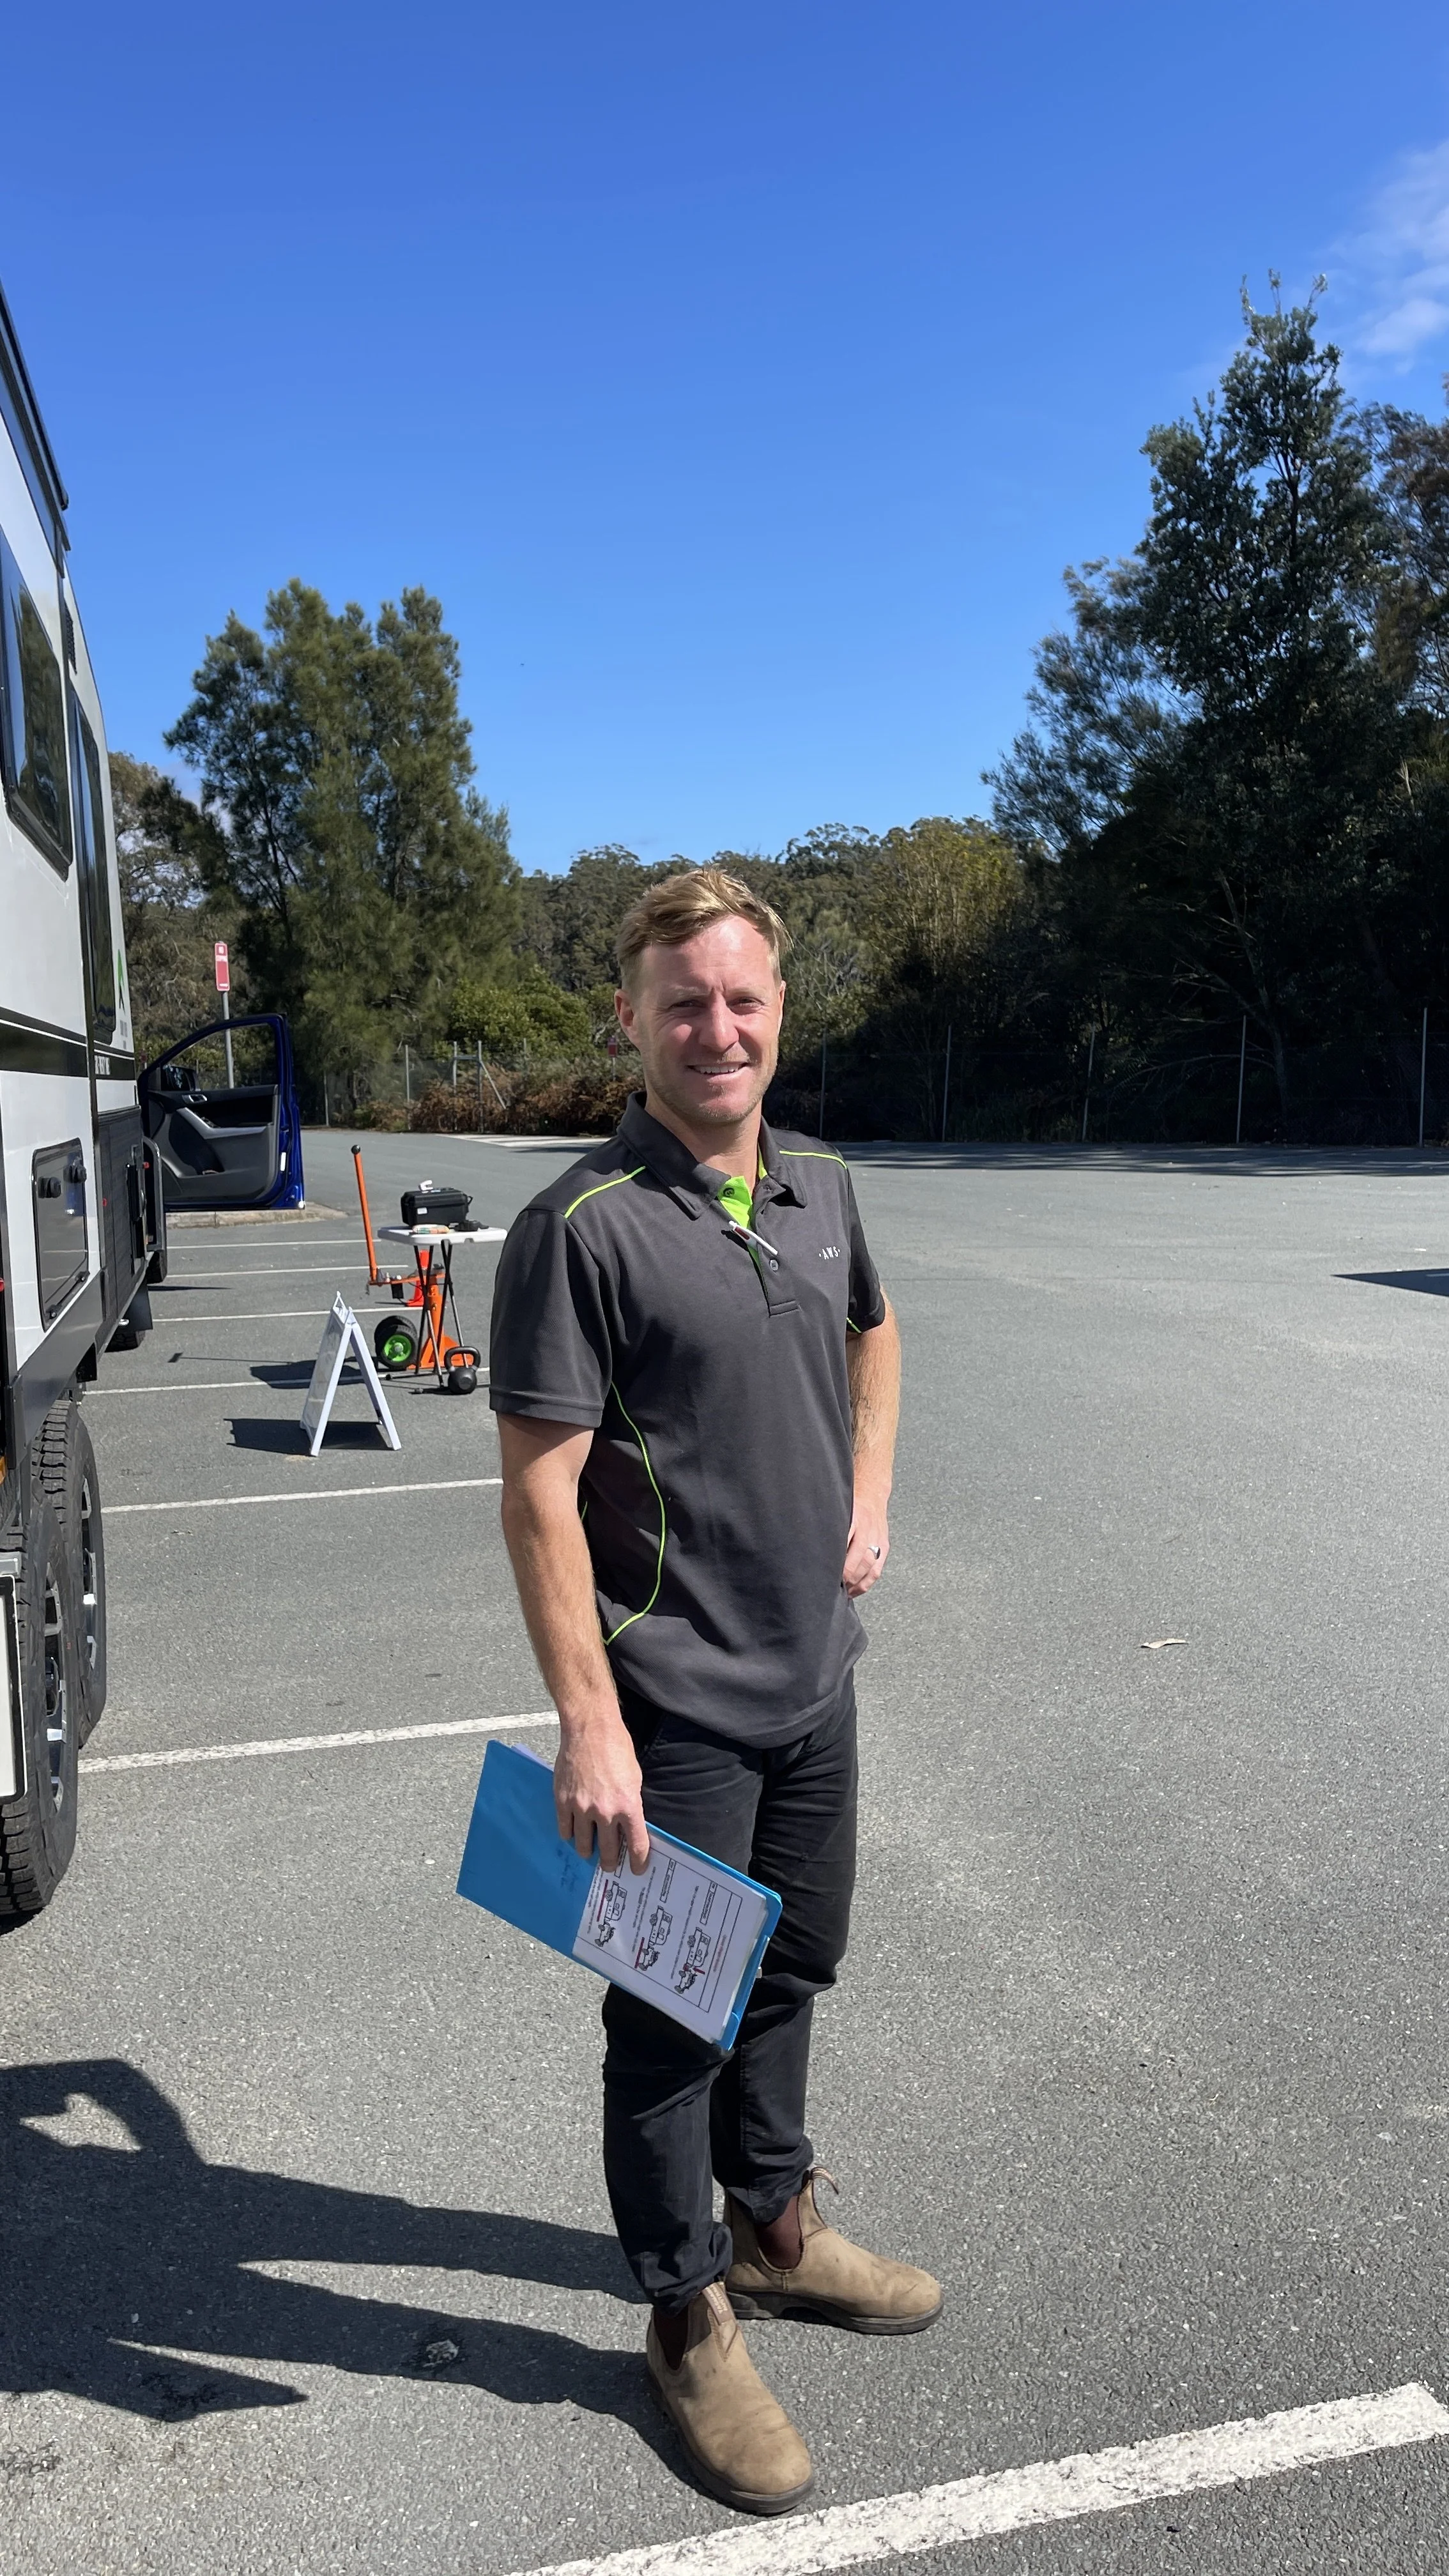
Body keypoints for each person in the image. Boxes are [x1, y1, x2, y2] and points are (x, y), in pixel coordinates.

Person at [489, 868, 941, 2517]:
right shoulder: (579, 1228)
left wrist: (870, 1494)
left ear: (776, 1012)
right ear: (630, 1017)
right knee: (671, 2019)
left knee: (798, 1958)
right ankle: (682, 2313)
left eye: (742, 999)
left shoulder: (821, 1184)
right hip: (669, 1697)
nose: (717, 1028)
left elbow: (874, 1341)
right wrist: (588, 1721)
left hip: (815, 1677)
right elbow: (537, 1491)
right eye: (683, 1001)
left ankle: (775, 2229)